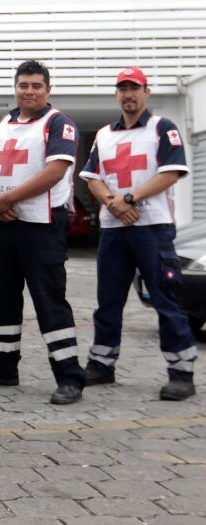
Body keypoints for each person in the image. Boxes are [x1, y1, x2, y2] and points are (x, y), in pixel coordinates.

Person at [0, 60, 85, 405]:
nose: (29, 91)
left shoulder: (58, 123)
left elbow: (55, 171)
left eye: (37, 85)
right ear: (15, 87)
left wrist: (6, 198)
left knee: (50, 302)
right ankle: (2, 368)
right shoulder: (1, 123)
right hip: (4, 227)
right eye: (23, 85)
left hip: (43, 226)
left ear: (48, 89)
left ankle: (70, 378)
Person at [80, 67, 195, 400]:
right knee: (108, 302)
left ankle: (181, 373)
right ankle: (101, 365)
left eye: (135, 88)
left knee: (165, 300)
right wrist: (114, 204)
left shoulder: (162, 128)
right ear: (117, 94)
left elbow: (171, 172)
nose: (128, 94)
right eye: (122, 89)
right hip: (115, 230)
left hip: (152, 229)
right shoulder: (104, 134)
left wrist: (129, 198)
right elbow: (92, 177)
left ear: (147, 92)